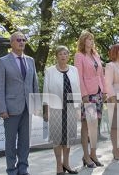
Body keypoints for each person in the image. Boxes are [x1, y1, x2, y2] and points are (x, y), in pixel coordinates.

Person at [0, 31, 40, 175]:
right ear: (12, 43)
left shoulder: (31, 60)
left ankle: (23, 168)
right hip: (11, 109)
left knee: (25, 141)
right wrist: (2, 108)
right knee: (11, 142)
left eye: (24, 40)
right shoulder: (2, 62)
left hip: (27, 107)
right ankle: (11, 169)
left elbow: (35, 84)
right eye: (18, 40)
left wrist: (36, 105)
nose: (21, 42)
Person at [43, 46, 80, 175]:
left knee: (68, 137)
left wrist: (77, 108)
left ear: (68, 56)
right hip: (55, 108)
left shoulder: (74, 70)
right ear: (56, 56)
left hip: (70, 108)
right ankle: (59, 165)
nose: (63, 56)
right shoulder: (50, 71)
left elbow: (77, 90)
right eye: (60, 54)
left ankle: (67, 163)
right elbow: (46, 91)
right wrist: (46, 110)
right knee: (57, 138)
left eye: (65, 53)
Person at [74, 30, 105, 168]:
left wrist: (104, 91)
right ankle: (86, 156)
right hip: (88, 94)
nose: (91, 41)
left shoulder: (96, 55)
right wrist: (84, 94)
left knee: (95, 125)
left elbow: (101, 75)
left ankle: (93, 154)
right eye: (88, 39)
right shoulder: (79, 56)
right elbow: (78, 77)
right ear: (83, 41)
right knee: (87, 125)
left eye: (92, 39)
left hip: (98, 93)